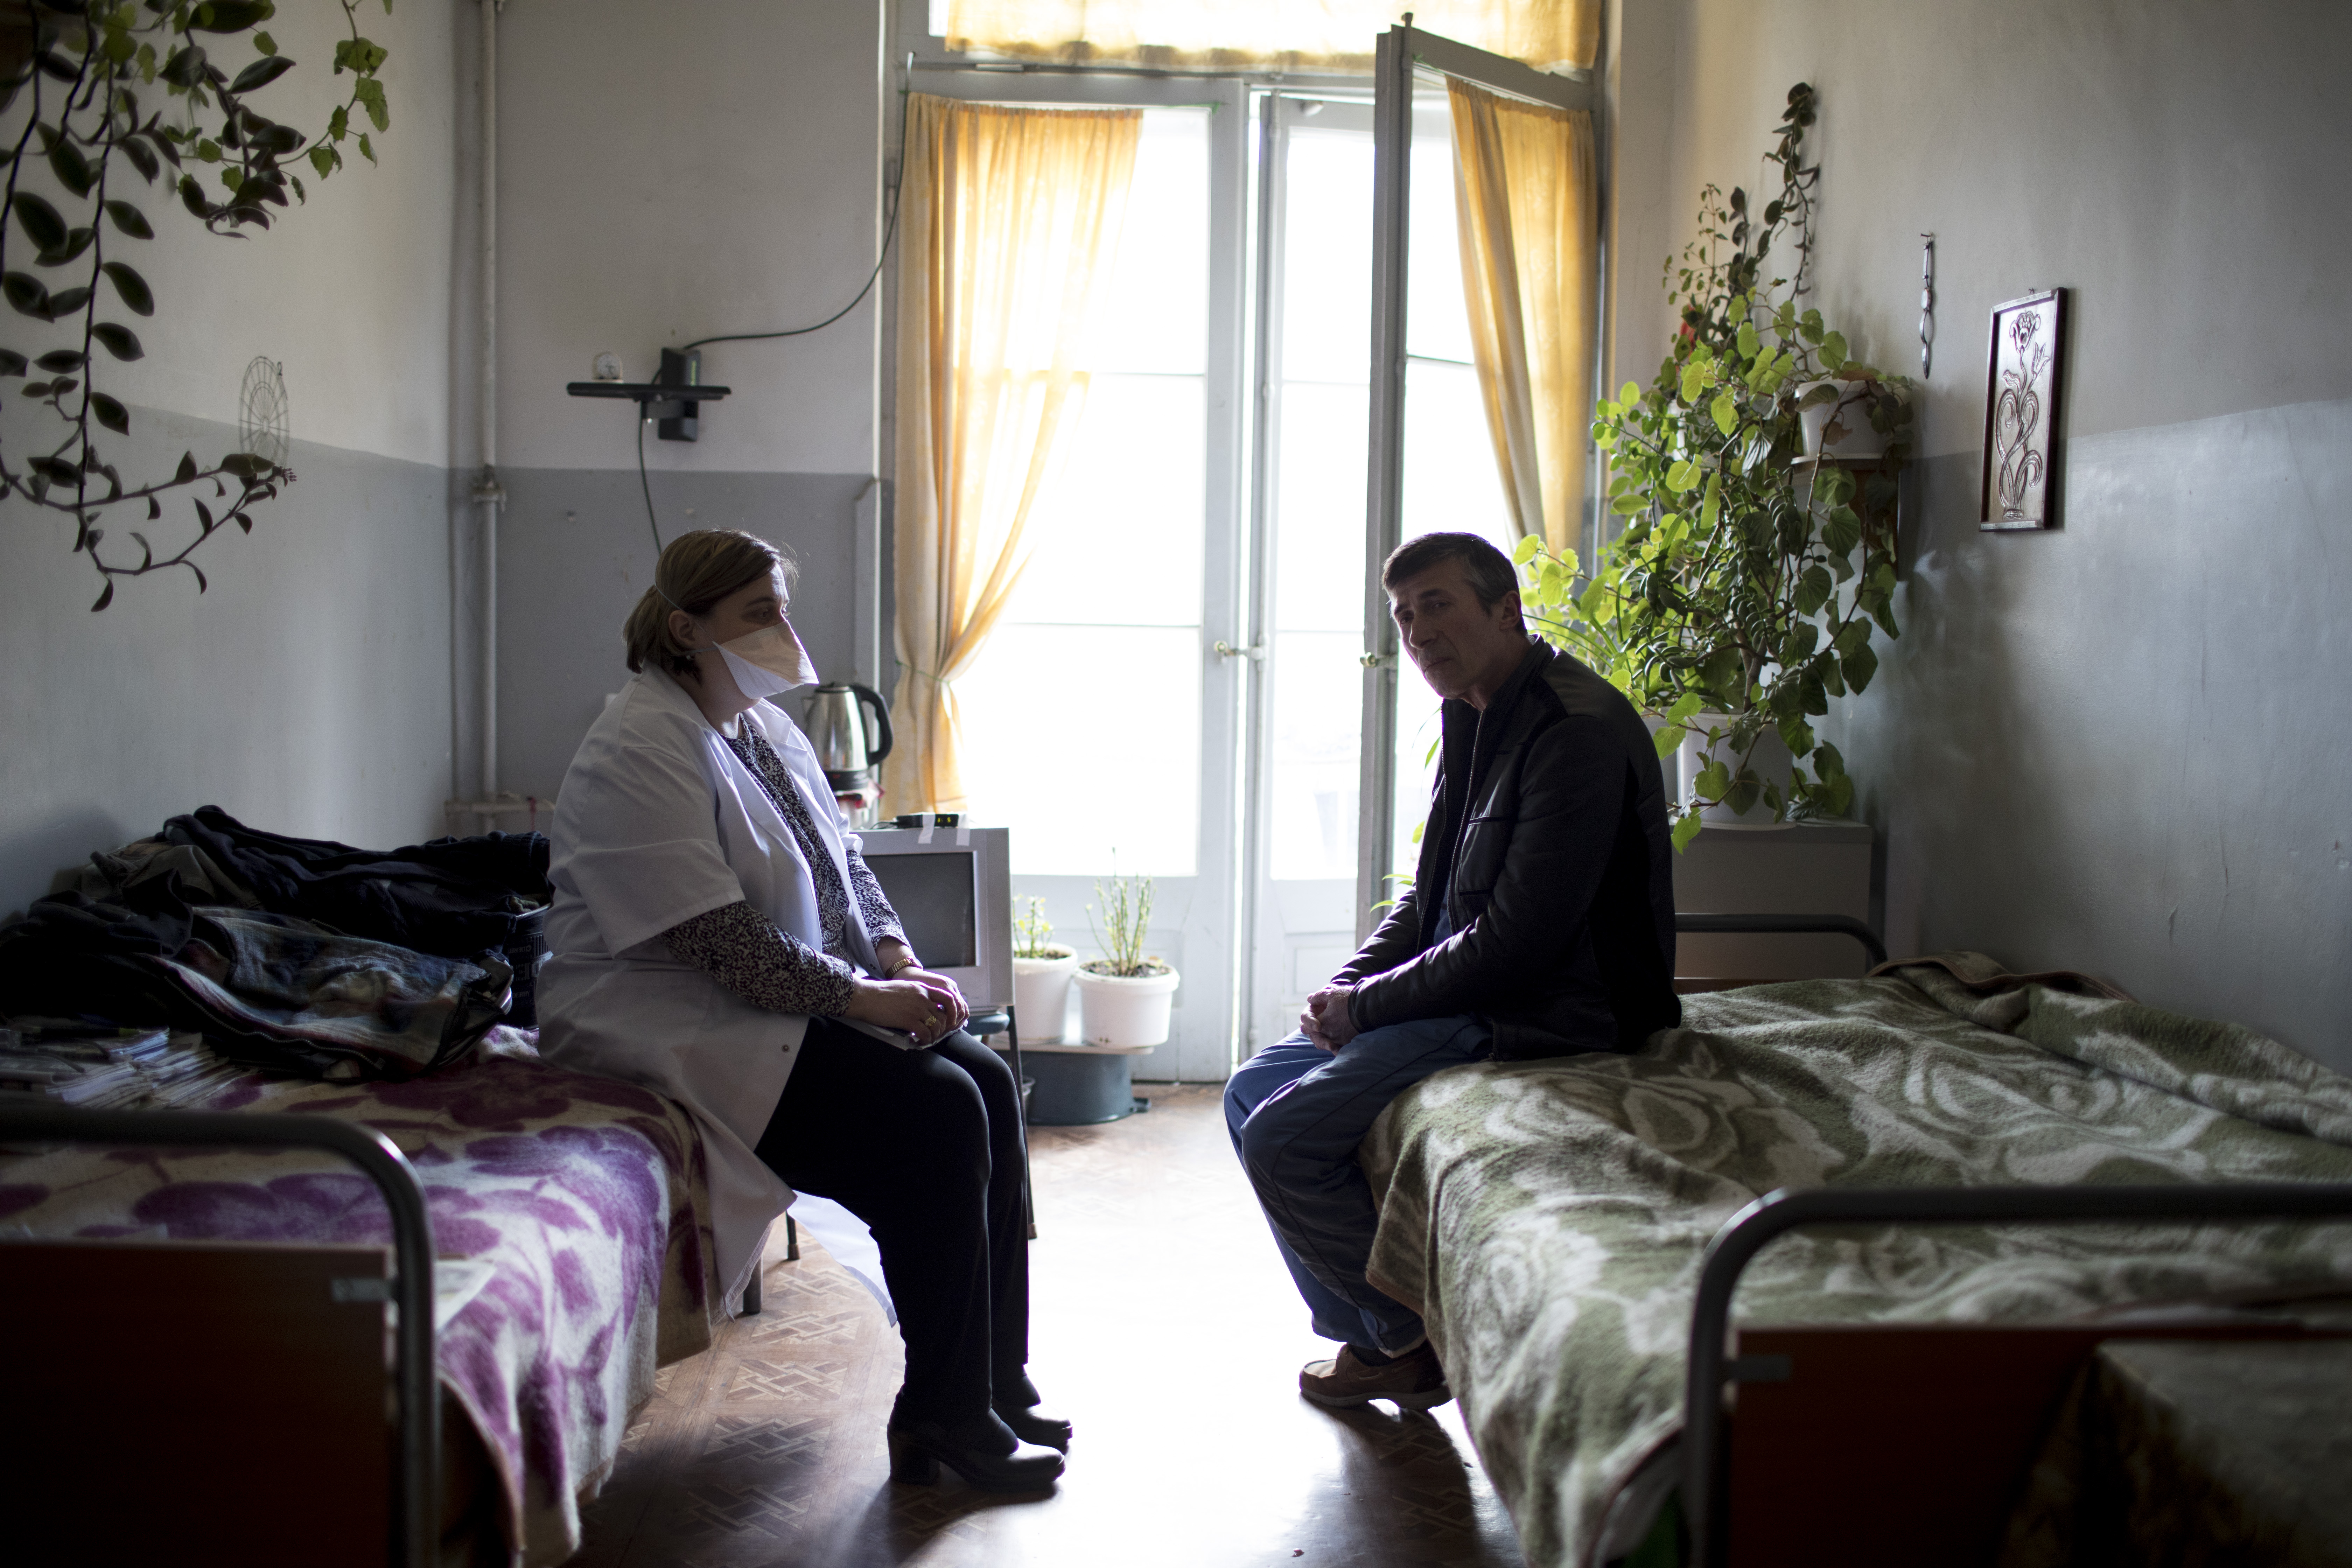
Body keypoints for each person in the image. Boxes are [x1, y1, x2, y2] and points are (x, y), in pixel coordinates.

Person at [536, 528, 1066, 1491]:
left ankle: (992, 1378)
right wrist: (870, 998)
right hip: (668, 1018)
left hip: (770, 1002)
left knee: (985, 1080)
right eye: (757, 614)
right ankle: (943, 1417)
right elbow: (719, 943)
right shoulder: (640, 742)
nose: (783, 629)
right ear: (687, 627)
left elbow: (844, 866)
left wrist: (902, 958)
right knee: (937, 1113)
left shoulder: (762, 724)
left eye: (782, 607)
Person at [1224, 531, 1681, 1410]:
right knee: (1250, 1091)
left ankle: (1399, 1334)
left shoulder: (1571, 731)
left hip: (1556, 1009)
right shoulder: (1479, 711)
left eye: (1439, 604)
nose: (1419, 630)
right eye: (1404, 614)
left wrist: (1369, 1010)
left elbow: (1517, 943)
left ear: (1507, 610)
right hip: (1483, 987)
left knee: (1285, 1138)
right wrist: (1348, 988)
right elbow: (1430, 896)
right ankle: (1383, 1333)